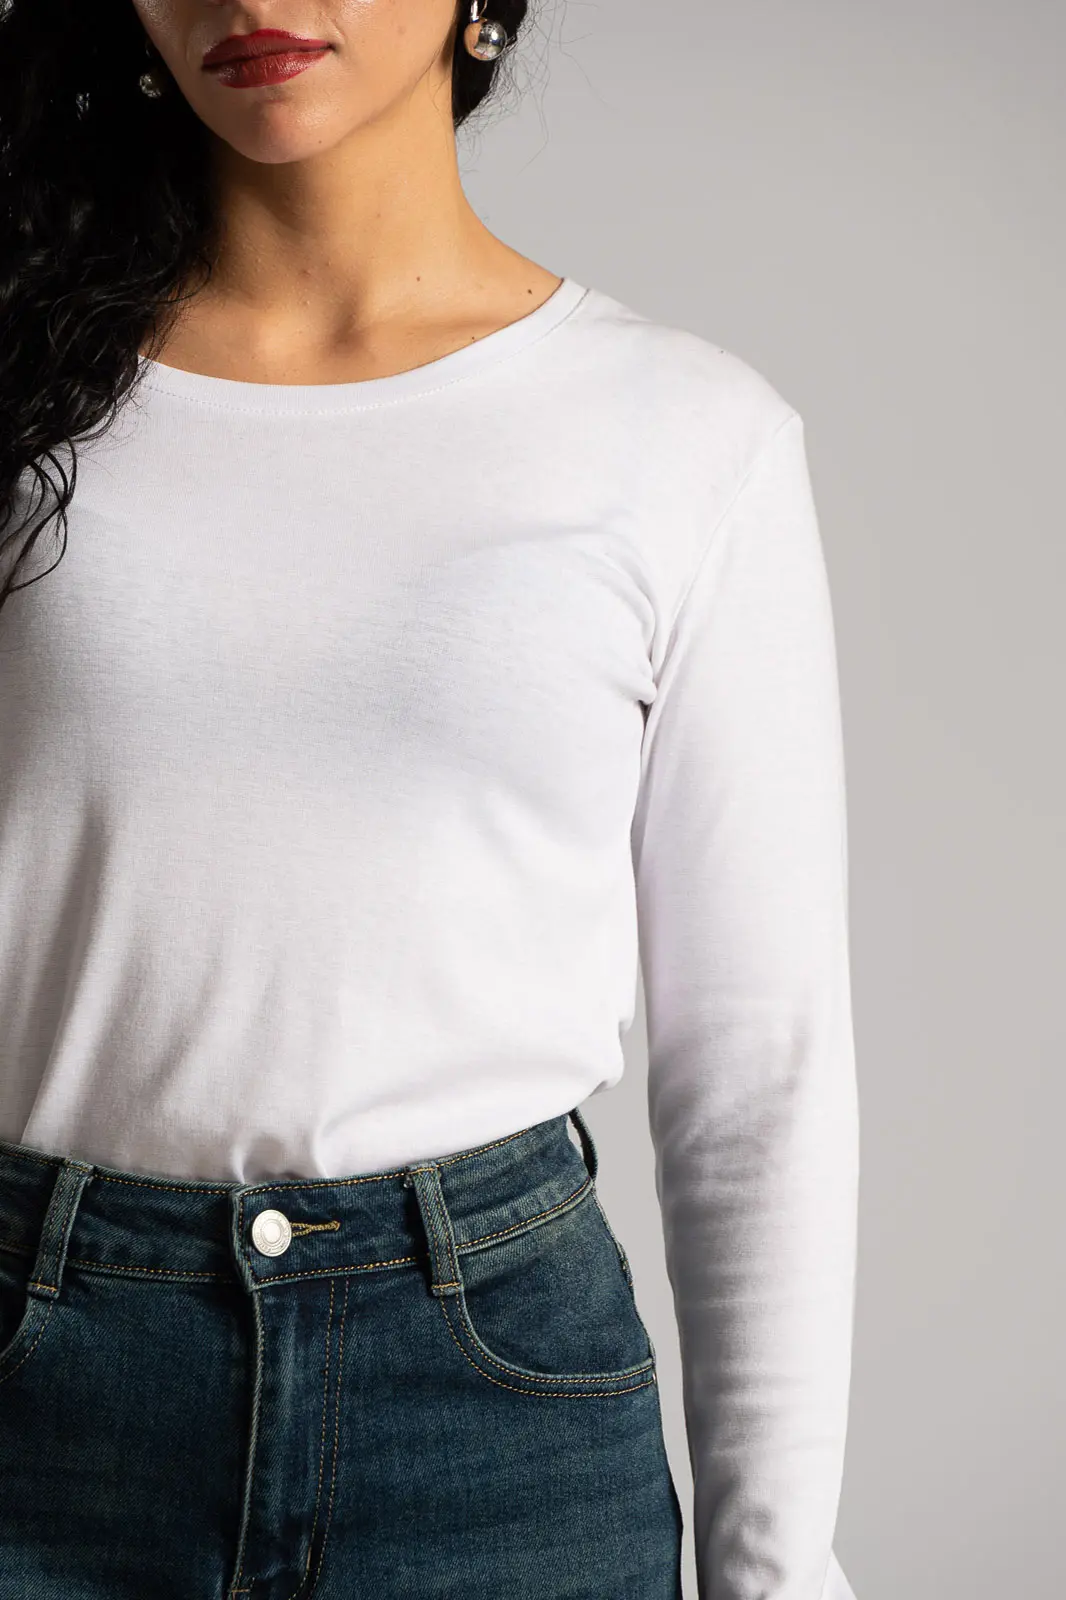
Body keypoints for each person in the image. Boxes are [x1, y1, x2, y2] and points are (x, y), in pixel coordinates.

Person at [0, 3, 859, 1597]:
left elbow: (755, 1068)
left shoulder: (683, 436)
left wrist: (776, 1571)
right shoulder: (25, 386)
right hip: (35, 1391)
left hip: (491, 1419)